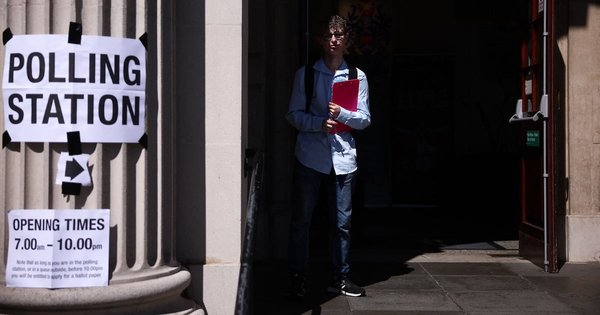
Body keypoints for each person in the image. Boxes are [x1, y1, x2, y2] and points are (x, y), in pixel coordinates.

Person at [285, 14, 371, 298]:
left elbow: (365, 119)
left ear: (347, 39)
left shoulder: (358, 76)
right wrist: (319, 123)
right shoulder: (306, 74)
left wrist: (343, 114)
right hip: (310, 156)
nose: (334, 40)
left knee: (342, 223)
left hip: (344, 158)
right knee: (302, 221)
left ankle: (341, 277)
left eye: (339, 35)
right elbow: (293, 115)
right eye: (328, 35)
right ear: (321, 40)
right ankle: (297, 276)